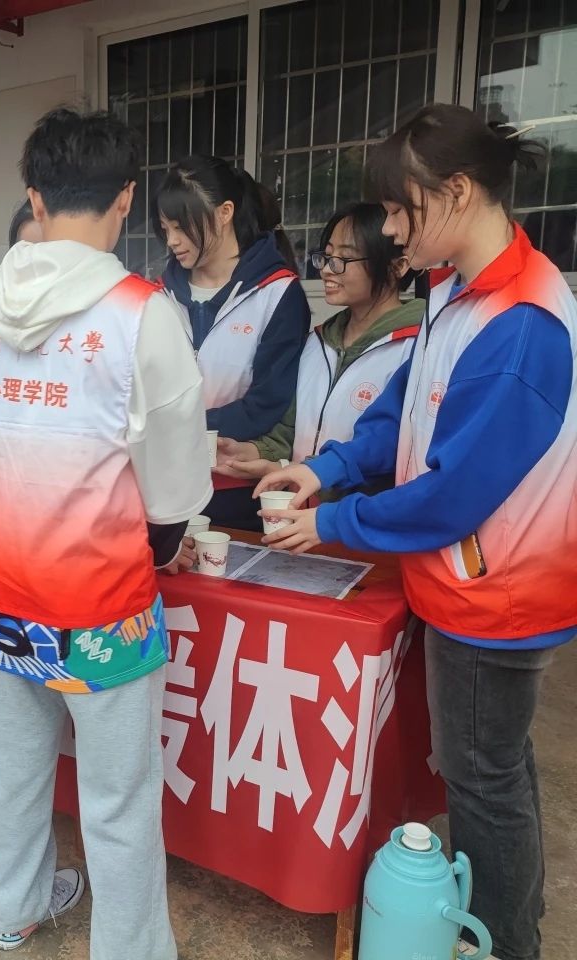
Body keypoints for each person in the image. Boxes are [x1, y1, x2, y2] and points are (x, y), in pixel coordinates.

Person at [257, 104, 576, 960]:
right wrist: (327, 468)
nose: (392, 231)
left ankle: (501, 943)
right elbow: (405, 408)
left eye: (402, 209)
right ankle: (509, 925)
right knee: (494, 766)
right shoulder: (456, 293)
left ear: (458, 192)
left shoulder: (522, 324)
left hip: (497, 598)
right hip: (468, 584)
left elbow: (450, 496)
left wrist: (331, 520)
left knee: (482, 780)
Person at [0, 107, 210, 960]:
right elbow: (173, 487)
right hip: (100, 606)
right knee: (119, 798)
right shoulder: (142, 314)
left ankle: (15, 911)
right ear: (126, 198)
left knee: (13, 769)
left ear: (35, 197)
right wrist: (159, 543)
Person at [216, 202, 423, 493]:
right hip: (298, 514)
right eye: (326, 256)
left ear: (397, 266)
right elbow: (288, 432)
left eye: (344, 258)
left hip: (360, 518)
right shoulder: (316, 342)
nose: (326, 270)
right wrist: (252, 452)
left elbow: (394, 452)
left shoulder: (416, 347)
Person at [155, 155, 311, 529]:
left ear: (225, 212)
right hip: (163, 483)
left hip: (237, 487)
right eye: (165, 229)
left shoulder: (277, 294)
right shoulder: (158, 294)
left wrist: (173, 426)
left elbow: (267, 403)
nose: (172, 241)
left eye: (181, 227)